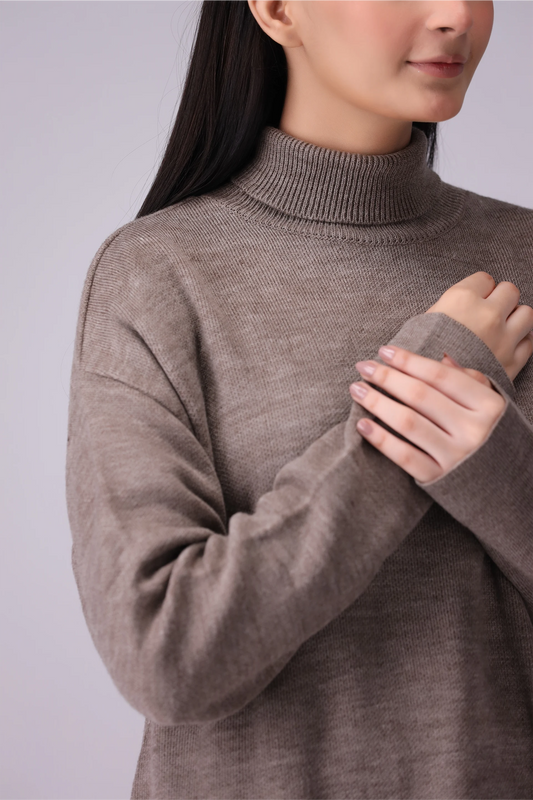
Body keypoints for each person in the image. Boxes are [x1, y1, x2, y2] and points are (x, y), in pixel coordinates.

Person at [65, 0, 533, 797]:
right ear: (278, 8)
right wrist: (407, 422)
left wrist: (498, 468)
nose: (456, 13)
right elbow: (168, 658)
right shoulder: (157, 276)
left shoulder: (523, 257)